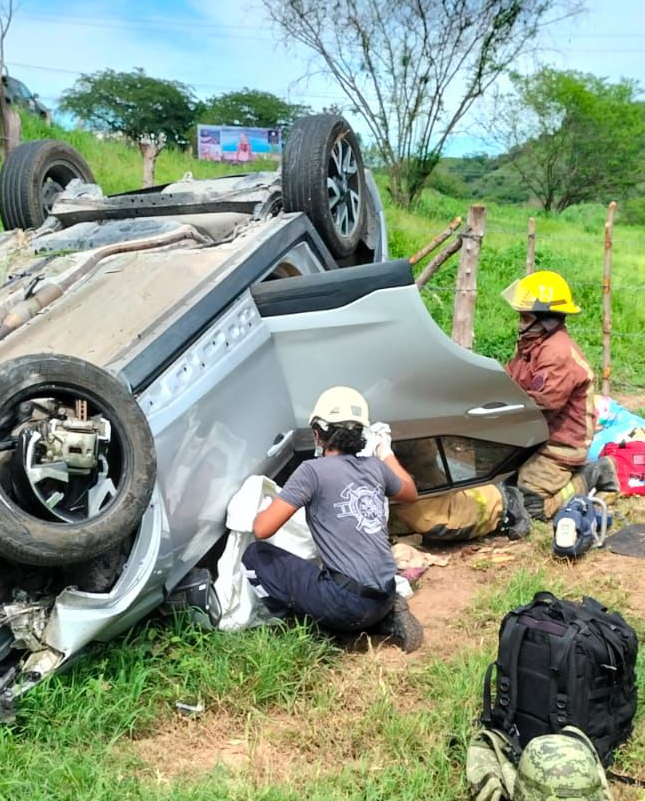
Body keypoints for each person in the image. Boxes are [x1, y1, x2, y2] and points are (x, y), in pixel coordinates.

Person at [391, 270, 615, 543]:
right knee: (493, 480)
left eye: (525, 317)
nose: (520, 323)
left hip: (557, 447)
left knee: (531, 506)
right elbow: (510, 380)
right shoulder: (533, 345)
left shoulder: (556, 354)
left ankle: (590, 476)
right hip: (534, 438)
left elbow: (541, 406)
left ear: (546, 320)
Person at [245, 386, 424, 651]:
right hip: (385, 593)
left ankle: (306, 626)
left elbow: (262, 529)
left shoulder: (311, 472)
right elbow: (410, 492)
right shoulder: (375, 467)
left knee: (255, 556)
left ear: (318, 434)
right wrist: (384, 451)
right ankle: (384, 618)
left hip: (345, 606)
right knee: (342, 581)